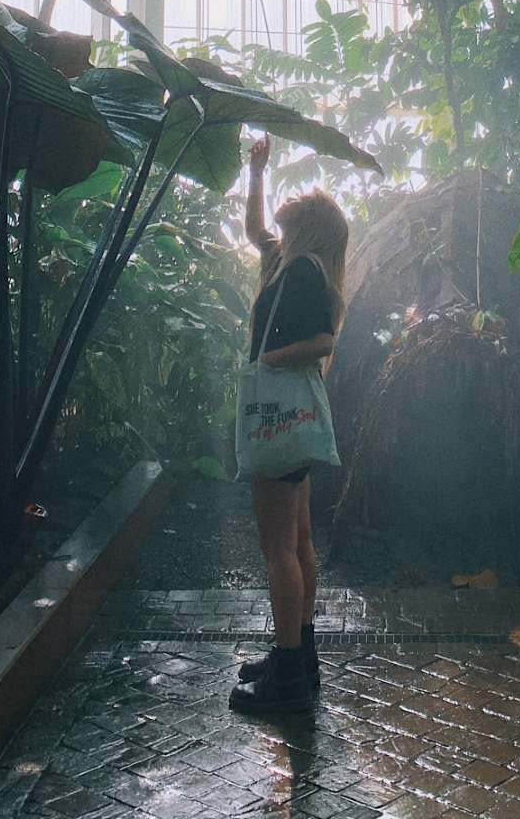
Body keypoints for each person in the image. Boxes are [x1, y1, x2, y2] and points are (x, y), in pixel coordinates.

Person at [230, 133, 346, 714]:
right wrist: (257, 171)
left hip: (276, 418)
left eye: (305, 199)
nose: (293, 198)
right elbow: (255, 230)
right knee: (297, 541)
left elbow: (323, 338)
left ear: (314, 222)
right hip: (292, 422)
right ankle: (299, 658)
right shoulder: (289, 260)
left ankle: (290, 683)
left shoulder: (303, 271)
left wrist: (269, 362)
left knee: (278, 547)